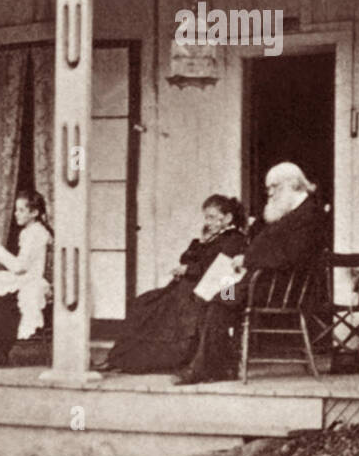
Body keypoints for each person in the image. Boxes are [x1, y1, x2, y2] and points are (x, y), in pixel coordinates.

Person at [176, 164, 329, 385]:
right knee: (209, 294)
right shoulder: (287, 211)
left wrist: (247, 260)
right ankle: (220, 365)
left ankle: (207, 368)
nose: (270, 193)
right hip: (257, 279)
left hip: (277, 286)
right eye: (269, 188)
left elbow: (292, 256)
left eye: (275, 187)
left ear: (294, 184)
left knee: (220, 301)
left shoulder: (308, 214)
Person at [102, 195, 247, 374]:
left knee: (162, 310)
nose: (207, 222)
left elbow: (218, 269)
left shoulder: (234, 239)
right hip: (183, 288)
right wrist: (200, 243)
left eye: (211, 217)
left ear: (227, 218)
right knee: (143, 303)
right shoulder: (209, 238)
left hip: (205, 291)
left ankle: (135, 361)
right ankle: (117, 358)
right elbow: (186, 257)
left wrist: (189, 270)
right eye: (206, 217)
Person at [0, 189, 54, 364]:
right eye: (16, 209)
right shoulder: (30, 232)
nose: (16, 214)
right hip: (25, 276)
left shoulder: (35, 233)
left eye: (21, 210)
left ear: (35, 213)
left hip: (29, 278)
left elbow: (20, 267)